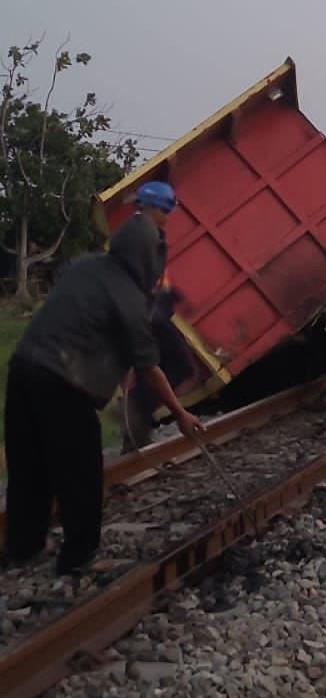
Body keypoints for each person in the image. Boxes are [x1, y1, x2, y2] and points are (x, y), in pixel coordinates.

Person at [4, 214, 203, 575]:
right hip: (64, 383)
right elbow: (150, 367)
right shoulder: (130, 298)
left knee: (28, 467)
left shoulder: (85, 266)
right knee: (79, 472)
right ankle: (78, 556)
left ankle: (23, 546)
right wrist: (181, 414)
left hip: (23, 369)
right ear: (148, 258)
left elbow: (85, 318)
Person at [119, 181, 195, 451]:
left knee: (151, 371)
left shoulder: (142, 232)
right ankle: (135, 408)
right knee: (180, 366)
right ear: (158, 207)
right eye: (167, 210)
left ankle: (136, 433)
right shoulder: (143, 235)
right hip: (150, 317)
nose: (169, 216)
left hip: (150, 312)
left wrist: (170, 293)